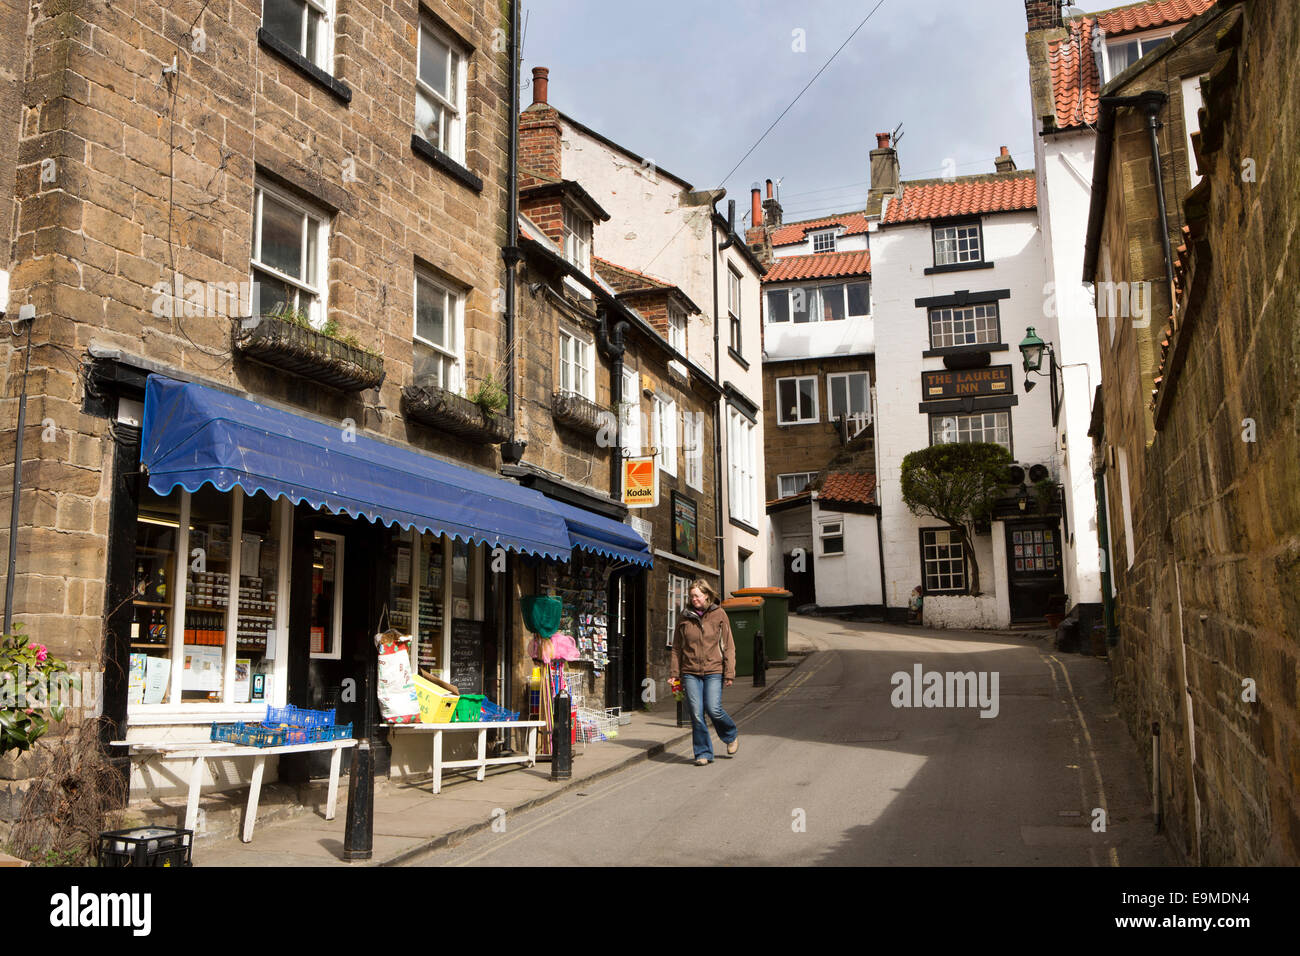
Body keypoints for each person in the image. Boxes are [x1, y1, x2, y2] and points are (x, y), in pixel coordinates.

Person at [669, 579, 739, 766]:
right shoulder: (684, 617)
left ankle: (730, 735)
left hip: (714, 669)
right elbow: (676, 647)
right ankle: (703, 752)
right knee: (696, 713)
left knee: (713, 708)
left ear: (706, 595)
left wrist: (729, 672)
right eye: (691, 596)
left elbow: (729, 646)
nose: (694, 599)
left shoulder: (719, 614)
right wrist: (675, 673)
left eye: (697, 596)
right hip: (690, 671)